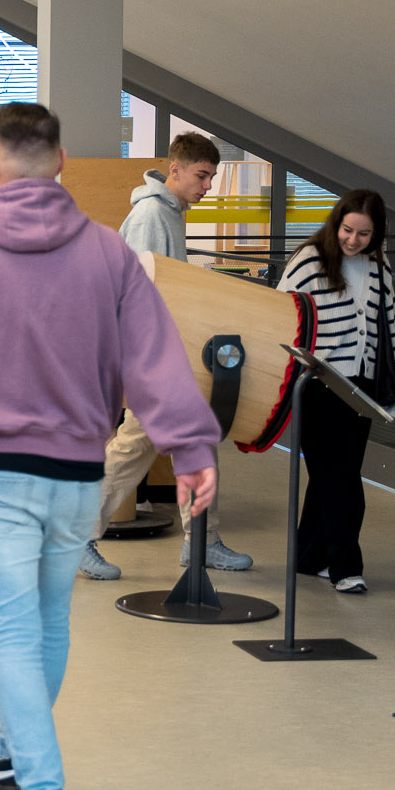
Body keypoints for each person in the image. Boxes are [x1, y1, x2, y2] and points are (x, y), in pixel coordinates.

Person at [0, 103, 221, 790]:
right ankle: (11, 748)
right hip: (74, 474)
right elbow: (155, 356)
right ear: (63, 162)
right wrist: (191, 447)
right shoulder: (108, 254)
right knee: (47, 621)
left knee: (11, 634)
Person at [81, 131, 253, 579]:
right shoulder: (151, 215)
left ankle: (202, 543)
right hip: (153, 359)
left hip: (165, 357)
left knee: (176, 445)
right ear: (175, 170)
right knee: (135, 449)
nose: (208, 186)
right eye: (202, 176)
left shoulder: (170, 213)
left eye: (211, 177)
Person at [276, 190, 395, 594]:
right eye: (347, 230)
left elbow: (391, 329)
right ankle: (346, 566)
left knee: (330, 476)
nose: (353, 240)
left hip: (361, 387)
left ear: (377, 234)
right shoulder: (309, 260)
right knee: (341, 479)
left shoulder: (379, 267)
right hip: (317, 384)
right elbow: (279, 313)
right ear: (336, 223)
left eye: (364, 234)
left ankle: (310, 556)